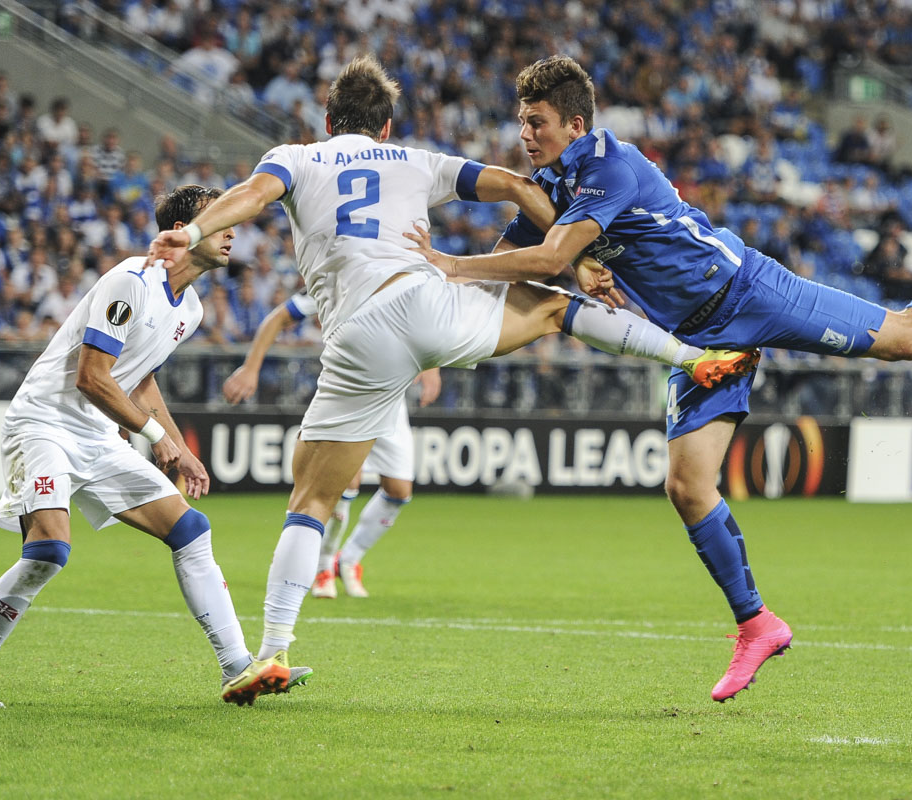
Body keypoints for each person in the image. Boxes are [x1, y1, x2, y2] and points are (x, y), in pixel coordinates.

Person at [406, 55, 912, 703]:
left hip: (749, 292)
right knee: (688, 486)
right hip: (699, 337)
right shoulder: (556, 184)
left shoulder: (610, 168)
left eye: (537, 121)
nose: (524, 133)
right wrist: (444, 336)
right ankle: (757, 625)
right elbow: (522, 261)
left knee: (909, 339)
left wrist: (453, 264)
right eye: (521, 120)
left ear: (575, 124)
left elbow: (545, 256)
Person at [147, 56, 756, 677]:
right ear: (386, 128)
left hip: (359, 336)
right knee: (551, 309)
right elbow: (518, 186)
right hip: (429, 304)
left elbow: (251, 197)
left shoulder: (295, 158)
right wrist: (579, 259)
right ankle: (690, 356)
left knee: (311, 500)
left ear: (328, 122)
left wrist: (190, 232)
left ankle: (273, 651)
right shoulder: (416, 160)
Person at [0, 185, 307, 709]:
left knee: (190, 529)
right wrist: (156, 439)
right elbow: (92, 377)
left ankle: (237, 668)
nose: (231, 232)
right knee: (48, 551)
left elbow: (139, 379)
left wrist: (180, 447)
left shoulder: (191, 308)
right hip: (44, 424)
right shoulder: (131, 281)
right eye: (219, 221)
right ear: (183, 230)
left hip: (96, 433)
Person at [222, 291, 440, 598]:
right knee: (345, 484)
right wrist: (251, 368)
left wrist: (432, 367)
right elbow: (279, 317)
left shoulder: (401, 284)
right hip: (347, 397)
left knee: (399, 491)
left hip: (391, 399)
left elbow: (427, 324)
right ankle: (323, 565)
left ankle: (347, 559)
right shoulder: (340, 283)